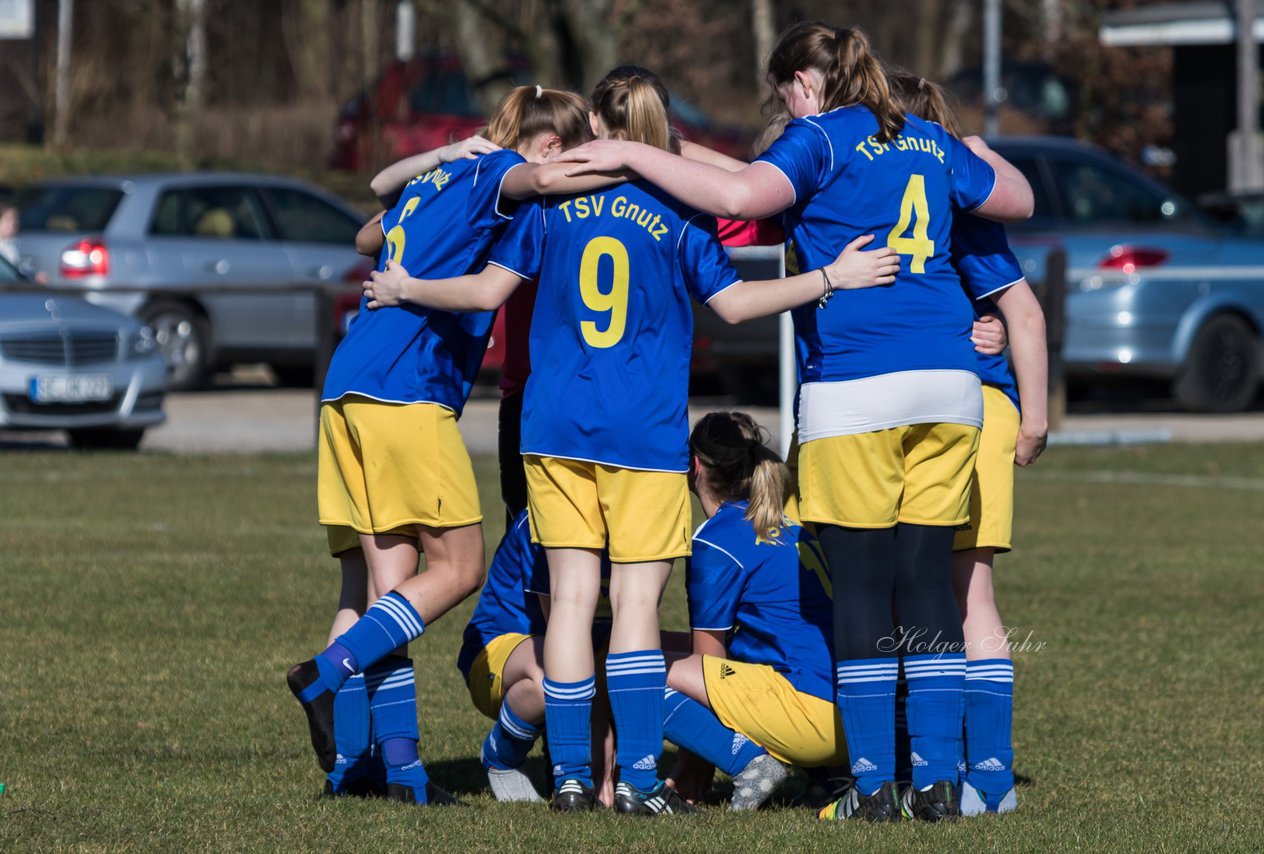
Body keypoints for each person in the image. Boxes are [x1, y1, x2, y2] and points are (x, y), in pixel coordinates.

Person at [360, 64, 897, 815]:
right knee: (636, 608)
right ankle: (640, 781)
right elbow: (737, 304)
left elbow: (485, 292)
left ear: (598, 131)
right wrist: (829, 279)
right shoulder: (680, 209)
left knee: (572, 601)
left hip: (550, 428)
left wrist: (406, 284)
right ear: (658, 131)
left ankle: (575, 777)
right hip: (640, 434)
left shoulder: (546, 207)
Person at [554, 23, 1035, 822]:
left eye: (783, 94)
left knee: (861, 591)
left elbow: (744, 195)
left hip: (859, 388)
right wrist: (965, 144)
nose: (784, 108)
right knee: (925, 584)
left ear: (805, 85)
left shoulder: (820, 136)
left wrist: (632, 154)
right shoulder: (922, 137)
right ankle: (942, 782)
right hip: (951, 384)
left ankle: (876, 787)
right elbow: (1014, 197)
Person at [285, 85, 594, 807]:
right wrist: (629, 157)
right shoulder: (496, 178)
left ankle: (398, 774)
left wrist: (441, 162)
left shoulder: (446, 174)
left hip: (349, 384)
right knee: (459, 568)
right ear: (548, 145)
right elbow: (540, 178)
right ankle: (325, 672)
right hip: (405, 389)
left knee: (391, 591)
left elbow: (368, 233)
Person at [887, 68, 1049, 816]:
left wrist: (1036, 416)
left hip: (965, 411)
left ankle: (977, 773)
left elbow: (1023, 311)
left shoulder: (946, 205)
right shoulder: (945, 188)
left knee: (960, 588)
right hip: (932, 409)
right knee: (942, 590)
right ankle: (966, 772)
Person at [660, 412, 844, 812]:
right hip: (849, 717)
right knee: (649, 645)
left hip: (806, 713)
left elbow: (708, 661)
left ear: (693, 467)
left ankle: (748, 762)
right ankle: (827, 777)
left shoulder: (719, 538)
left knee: (631, 666)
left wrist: (690, 768)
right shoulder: (791, 526)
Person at [457, 508, 617, 803]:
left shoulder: (629, 517)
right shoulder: (545, 520)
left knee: (656, 661)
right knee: (555, 676)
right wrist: (600, 731)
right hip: (499, 655)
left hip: (583, 658)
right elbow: (565, 636)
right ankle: (501, 754)